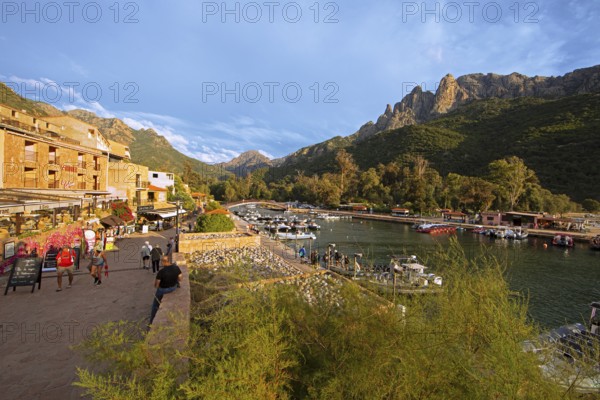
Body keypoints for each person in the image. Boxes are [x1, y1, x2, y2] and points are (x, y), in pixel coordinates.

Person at [150, 256, 182, 324]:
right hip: (173, 287)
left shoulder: (161, 272)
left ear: (163, 262)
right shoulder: (176, 268)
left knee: (155, 305)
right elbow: (180, 279)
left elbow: (156, 285)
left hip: (163, 290)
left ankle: (151, 321)